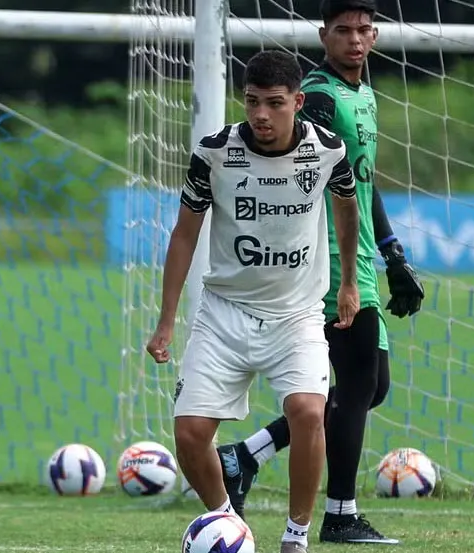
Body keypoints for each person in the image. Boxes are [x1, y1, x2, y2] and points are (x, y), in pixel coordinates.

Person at [213, 0, 425, 545]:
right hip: (328, 262)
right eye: (342, 30)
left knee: (368, 386)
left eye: (362, 30)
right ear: (323, 34)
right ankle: (338, 512)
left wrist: (393, 251)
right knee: (356, 382)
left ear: (374, 36)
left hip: (356, 257)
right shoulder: (320, 98)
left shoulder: (362, 94)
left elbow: (362, 181)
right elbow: (305, 172)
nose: (353, 39)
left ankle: (245, 456)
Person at [145, 50, 362, 553]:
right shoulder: (215, 152)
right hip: (224, 313)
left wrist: (349, 282)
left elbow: (348, 209)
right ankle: (225, 522)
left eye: (274, 103)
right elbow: (183, 235)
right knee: (190, 435)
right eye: (251, 102)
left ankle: (296, 536)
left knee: (309, 411)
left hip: (297, 316)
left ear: (298, 103)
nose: (260, 114)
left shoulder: (327, 149)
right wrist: (166, 322)